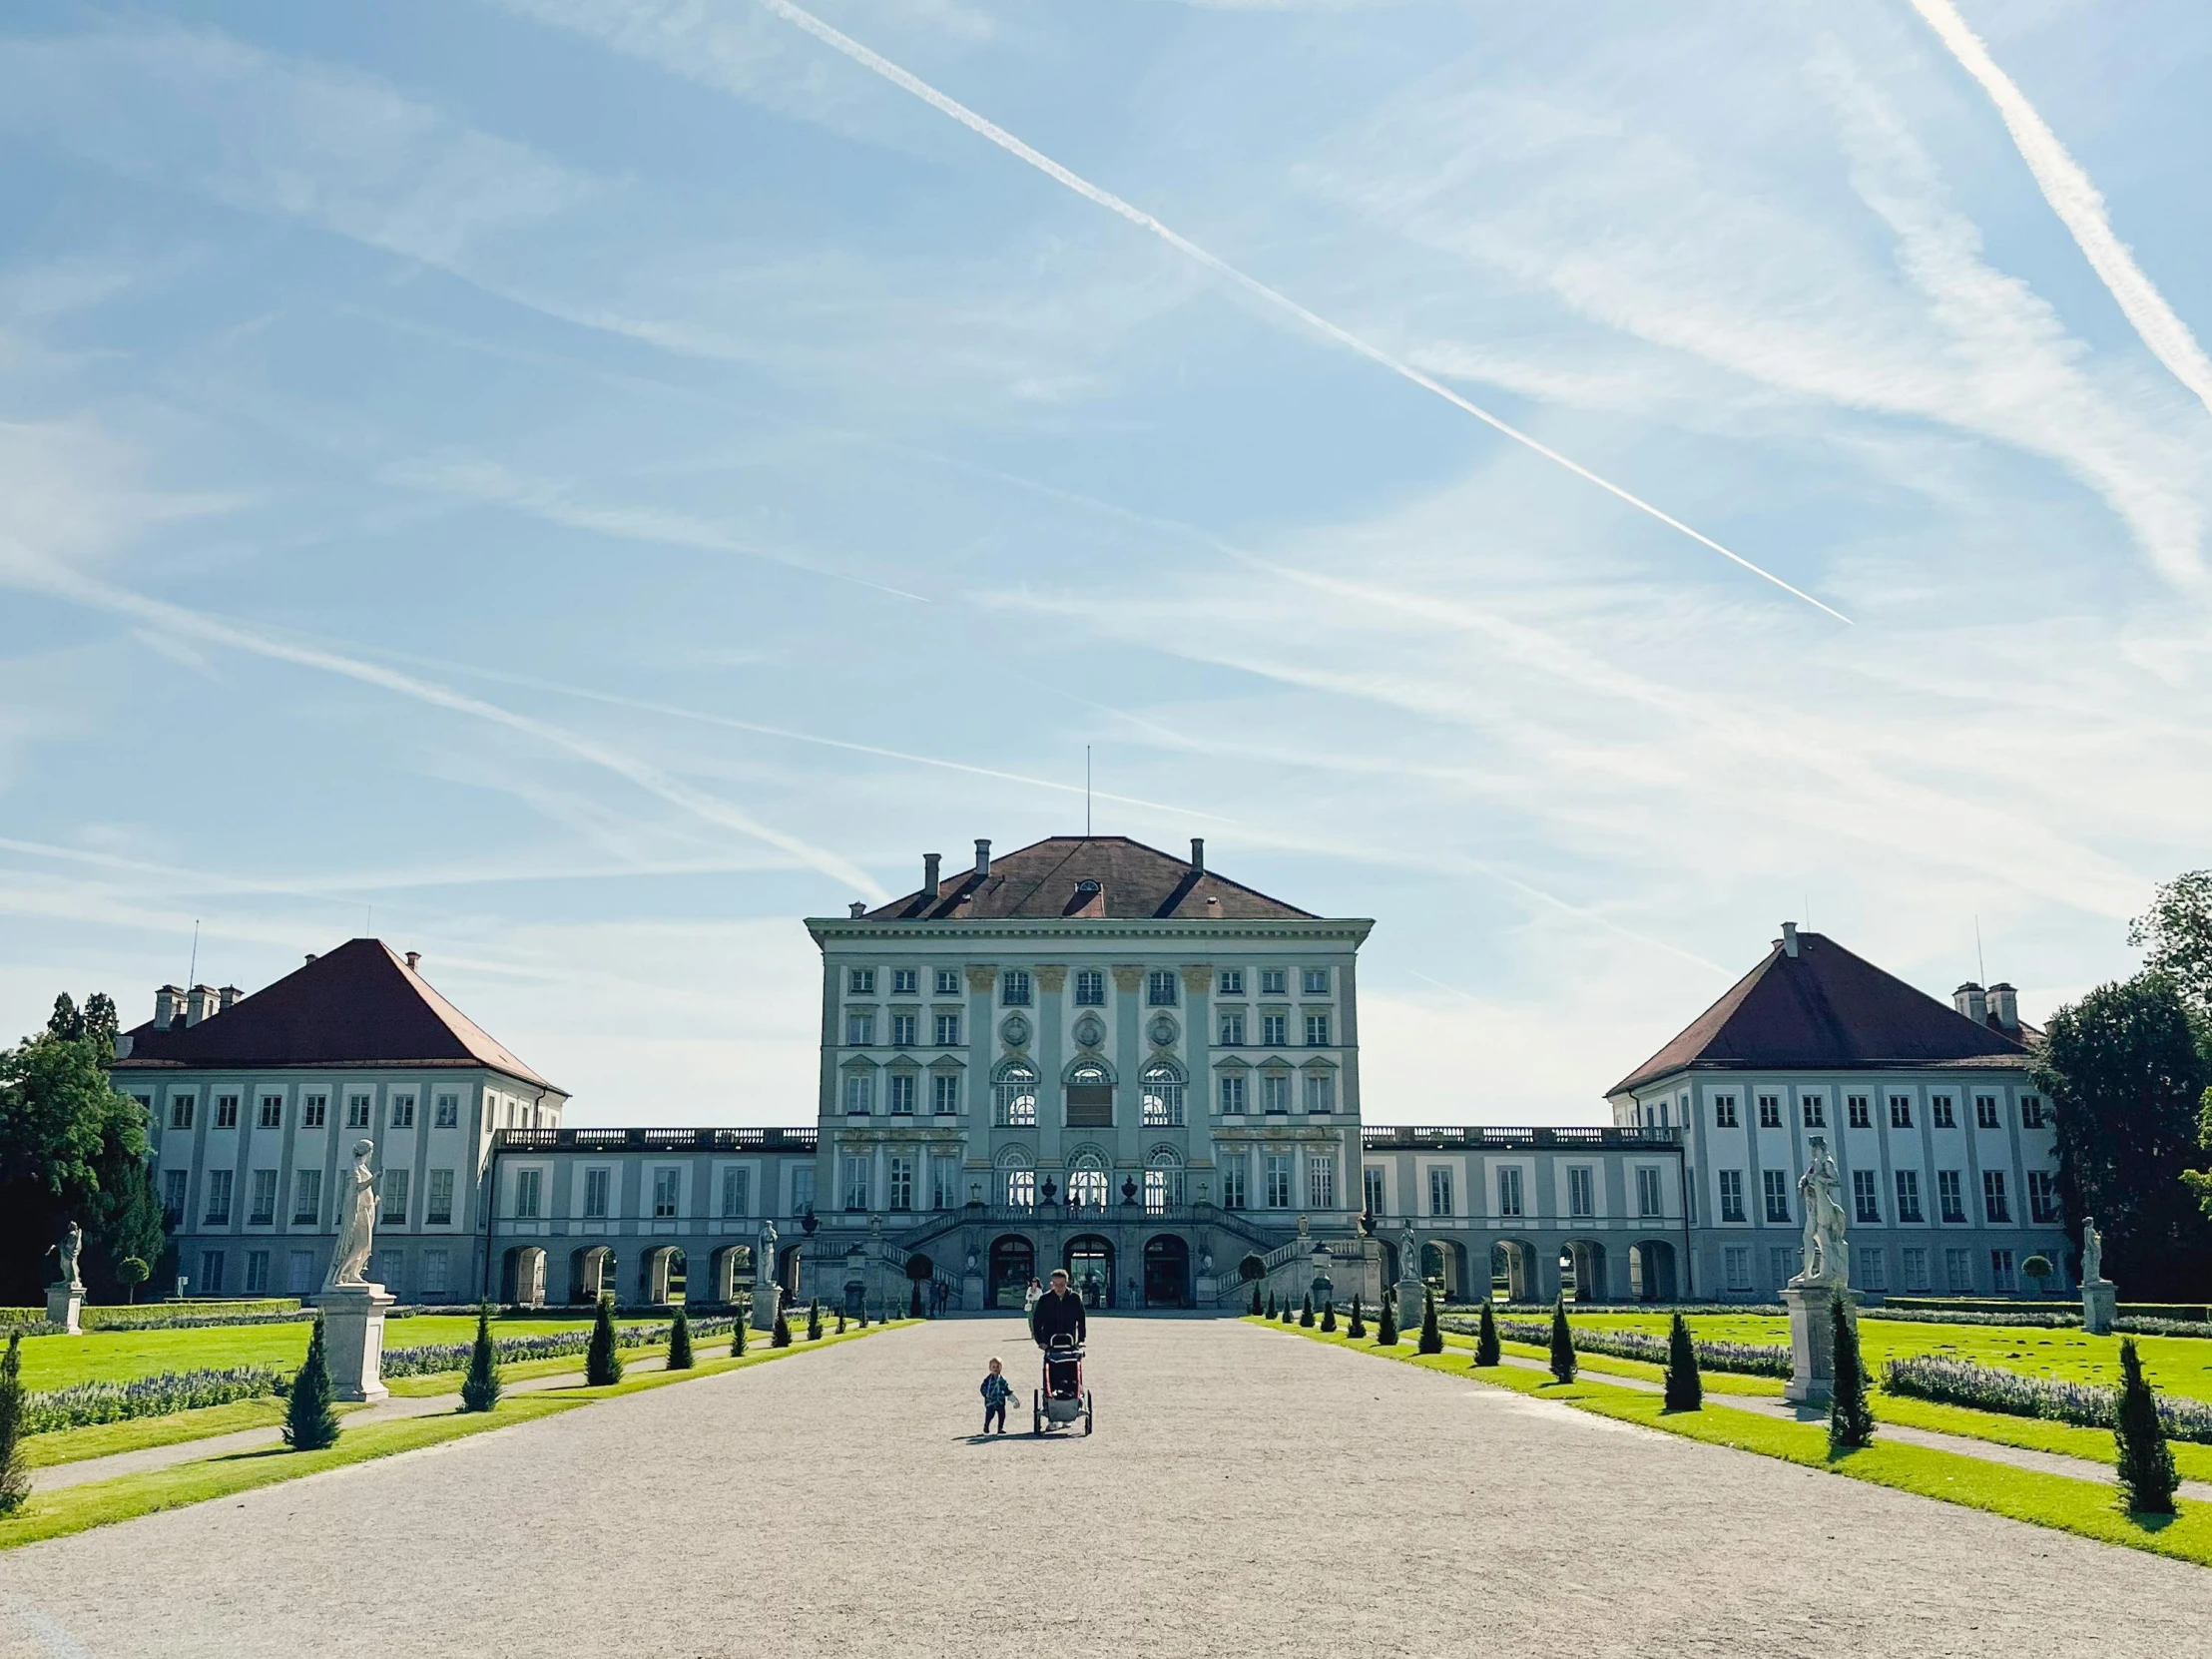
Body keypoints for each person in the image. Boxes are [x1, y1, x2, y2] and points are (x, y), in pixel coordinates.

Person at [1030, 1267, 1087, 1349]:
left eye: (1061, 1284)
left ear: (1067, 1283)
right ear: (1052, 1284)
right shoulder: (1045, 1299)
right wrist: (1040, 1341)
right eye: (1055, 1284)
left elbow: (1081, 1321)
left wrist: (1081, 1340)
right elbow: (1037, 1322)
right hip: (1049, 1342)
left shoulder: (1075, 1298)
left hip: (1069, 1340)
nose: (1059, 1287)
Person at [979, 1357, 1016, 1434]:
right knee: (990, 1414)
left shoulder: (1002, 1380)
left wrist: (1013, 1398)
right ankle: (986, 1425)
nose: (996, 1369)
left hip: (1000, 1401)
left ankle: (1000, 1428)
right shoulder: (988, 1380)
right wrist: (986, 1394)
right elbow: (983, 1388)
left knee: (1002, 1415)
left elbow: (1006, 1389)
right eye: (993, 1367)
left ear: (1001, 1368)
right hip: (990, 1402)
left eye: (998, 1367)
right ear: (990, 1368)